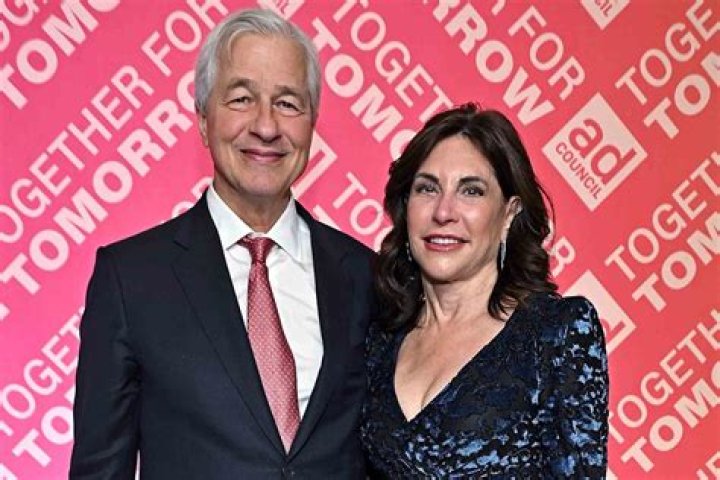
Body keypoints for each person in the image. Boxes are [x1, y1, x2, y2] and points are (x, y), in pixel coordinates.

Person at [70, 8, 375, 479]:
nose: (266, 126)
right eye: (241, 99)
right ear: (202, 119)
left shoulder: (365, 275)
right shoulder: (131, 280)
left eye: (288, 103)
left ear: (313, 123)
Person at [361, 103, 609, 478]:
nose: (443, 212)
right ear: (406, 206)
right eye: (427, 188)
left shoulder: (556, 333)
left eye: (471, 191)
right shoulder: (380, 337)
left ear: (509, 214)